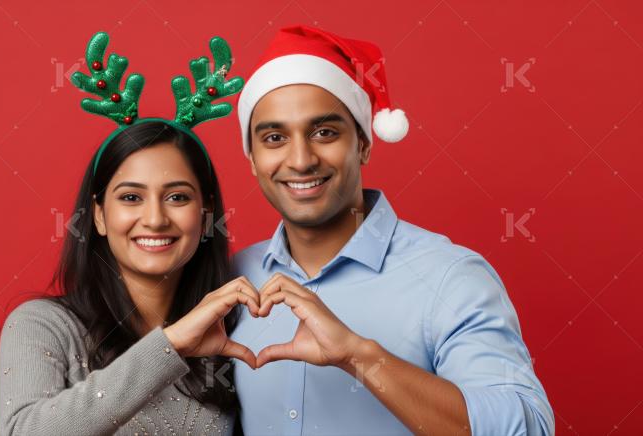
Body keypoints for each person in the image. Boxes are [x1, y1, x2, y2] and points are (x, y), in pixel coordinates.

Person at [229, 25, 554, 435]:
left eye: (324, 132)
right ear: (253, 159)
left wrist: (359, 355)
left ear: (363, 143)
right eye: (274, 137)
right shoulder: (233, 277)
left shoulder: (450, 277)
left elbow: (527, 428)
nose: (300, 159)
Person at [0, 31, 257, 435]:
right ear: (99, 215)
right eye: (131, 198)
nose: (154, 219)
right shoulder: (44, 325)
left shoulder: (232, 330)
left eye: (177, 197)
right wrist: (170, 345)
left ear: (206, 215)